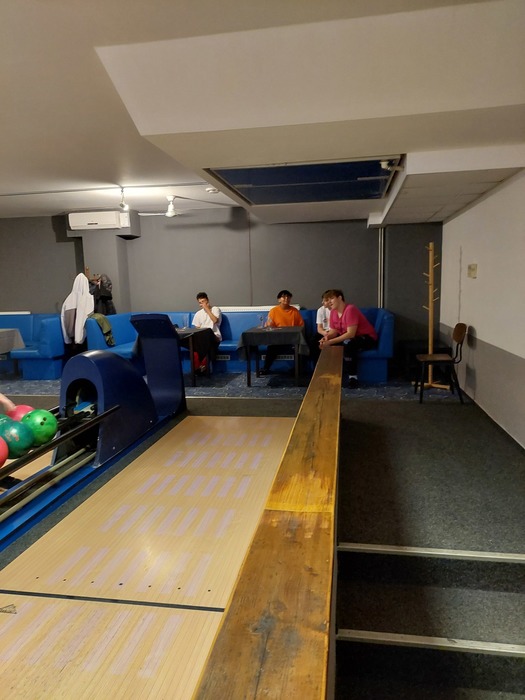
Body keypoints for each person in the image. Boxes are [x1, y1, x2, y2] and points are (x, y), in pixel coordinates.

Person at [319, 289, 378, 388]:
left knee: (348, 343)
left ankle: (353, 377)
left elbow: (351, 333)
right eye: (327, 300)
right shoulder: (333, 312)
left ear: (340, 298)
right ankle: (329, 374)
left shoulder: (350, 309)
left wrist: (330, 341)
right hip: (351, 338)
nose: (329, 302)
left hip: (367, 338)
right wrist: (327, 338)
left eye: (331, 299)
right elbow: (334, 331)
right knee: (323, 343)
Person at [260, 290, 304, 374]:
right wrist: (267, 325)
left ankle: (297, 369)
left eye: (288, 297)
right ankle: (265, 368)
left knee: (301, 346)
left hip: (292, 339)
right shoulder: (273, 311)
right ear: (279, 299)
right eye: (283, 297)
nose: (286, 298)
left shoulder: (295, 311)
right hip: (278, 339)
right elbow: (269, 325)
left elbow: (301, 326)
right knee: (271, 348)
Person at [61, 272, 94, 356]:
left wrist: (67, 340)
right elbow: (82, 318)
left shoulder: (67, 300)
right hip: (85, 339)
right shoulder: (88, 299)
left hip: (71, 339)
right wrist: (79, 338)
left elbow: (63, 319)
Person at [191, 292, 222, 372]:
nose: (202, 304)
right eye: (200, 303)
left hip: (214, 335)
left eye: (203, 301)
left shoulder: (215, 309)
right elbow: (197, 329)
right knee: (194, 344)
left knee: (207, 332)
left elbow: (215, 321)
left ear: (207, 301)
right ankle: (198, 368)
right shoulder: (198, 314)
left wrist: (207, 309)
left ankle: (203, 366)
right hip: (202, 338)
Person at [309, 290, 332, 367]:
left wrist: (328, 336)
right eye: (323, 300)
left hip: (335, 333)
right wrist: (326, 334)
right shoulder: (321, 310)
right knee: (313, 341)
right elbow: (319, 328)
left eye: (325, 300)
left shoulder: (337, 310)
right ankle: (316, 366)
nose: (322, 302)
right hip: (324, 332)